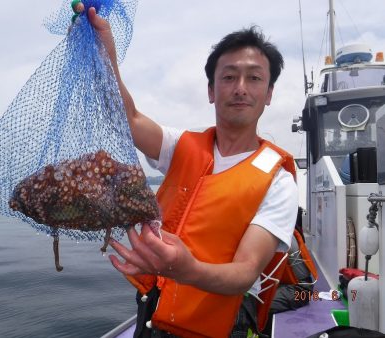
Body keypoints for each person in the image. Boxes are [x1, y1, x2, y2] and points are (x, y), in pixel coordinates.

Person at [74, 6, 298, 337]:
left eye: (254, 78)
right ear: (211, 91)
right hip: (154, 309)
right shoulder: (183, 145)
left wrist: (187, 269)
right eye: (228, 76)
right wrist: (104, 50)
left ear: (268, 94)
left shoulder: (278, 181)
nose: (240, 88)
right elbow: (130, 119)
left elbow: (246, 271)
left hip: (219, 326)